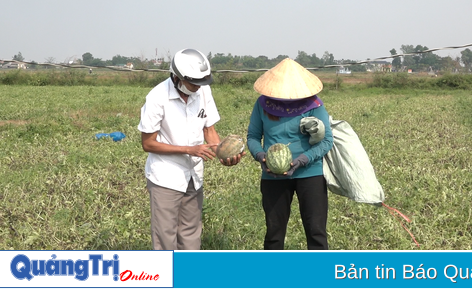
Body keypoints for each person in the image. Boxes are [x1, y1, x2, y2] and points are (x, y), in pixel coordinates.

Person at [137, 48, 245, 250]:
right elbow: (148, 143)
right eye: (194, 83)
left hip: (193, 175)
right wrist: (189, 149)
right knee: (165, 236)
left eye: (202, 82)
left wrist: (224, 154)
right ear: (177, 77)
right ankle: (167, 279)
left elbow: (209, 130)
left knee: (191, 232)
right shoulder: (157, 97)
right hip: (166, 176)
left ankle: (189, 279)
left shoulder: (203, 91)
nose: (198, 87)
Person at [247, 58, 334, 250]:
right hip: (272, 176)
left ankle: (321, 276)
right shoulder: (262, 104)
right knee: (274, 234)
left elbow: (327, 140)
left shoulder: (314, 105)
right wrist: (262, 157)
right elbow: (253, 137)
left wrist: (303, 160)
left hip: (310, 173)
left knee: (316, 231)